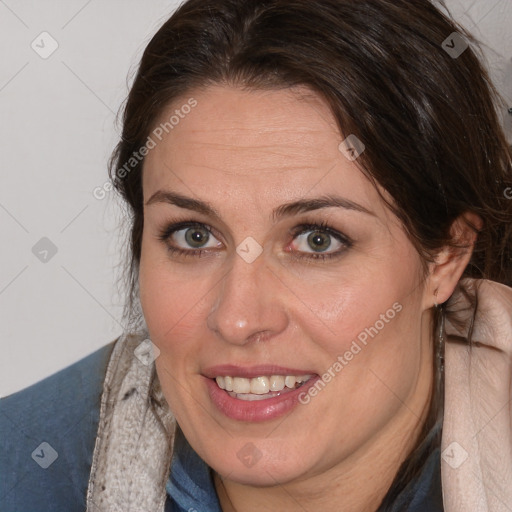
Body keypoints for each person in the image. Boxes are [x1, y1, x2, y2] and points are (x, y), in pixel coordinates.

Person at [1, 1, 511, 511]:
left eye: (317, 239)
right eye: (194, 236)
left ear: (447, 257)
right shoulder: (22, 470)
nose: (238, 318)